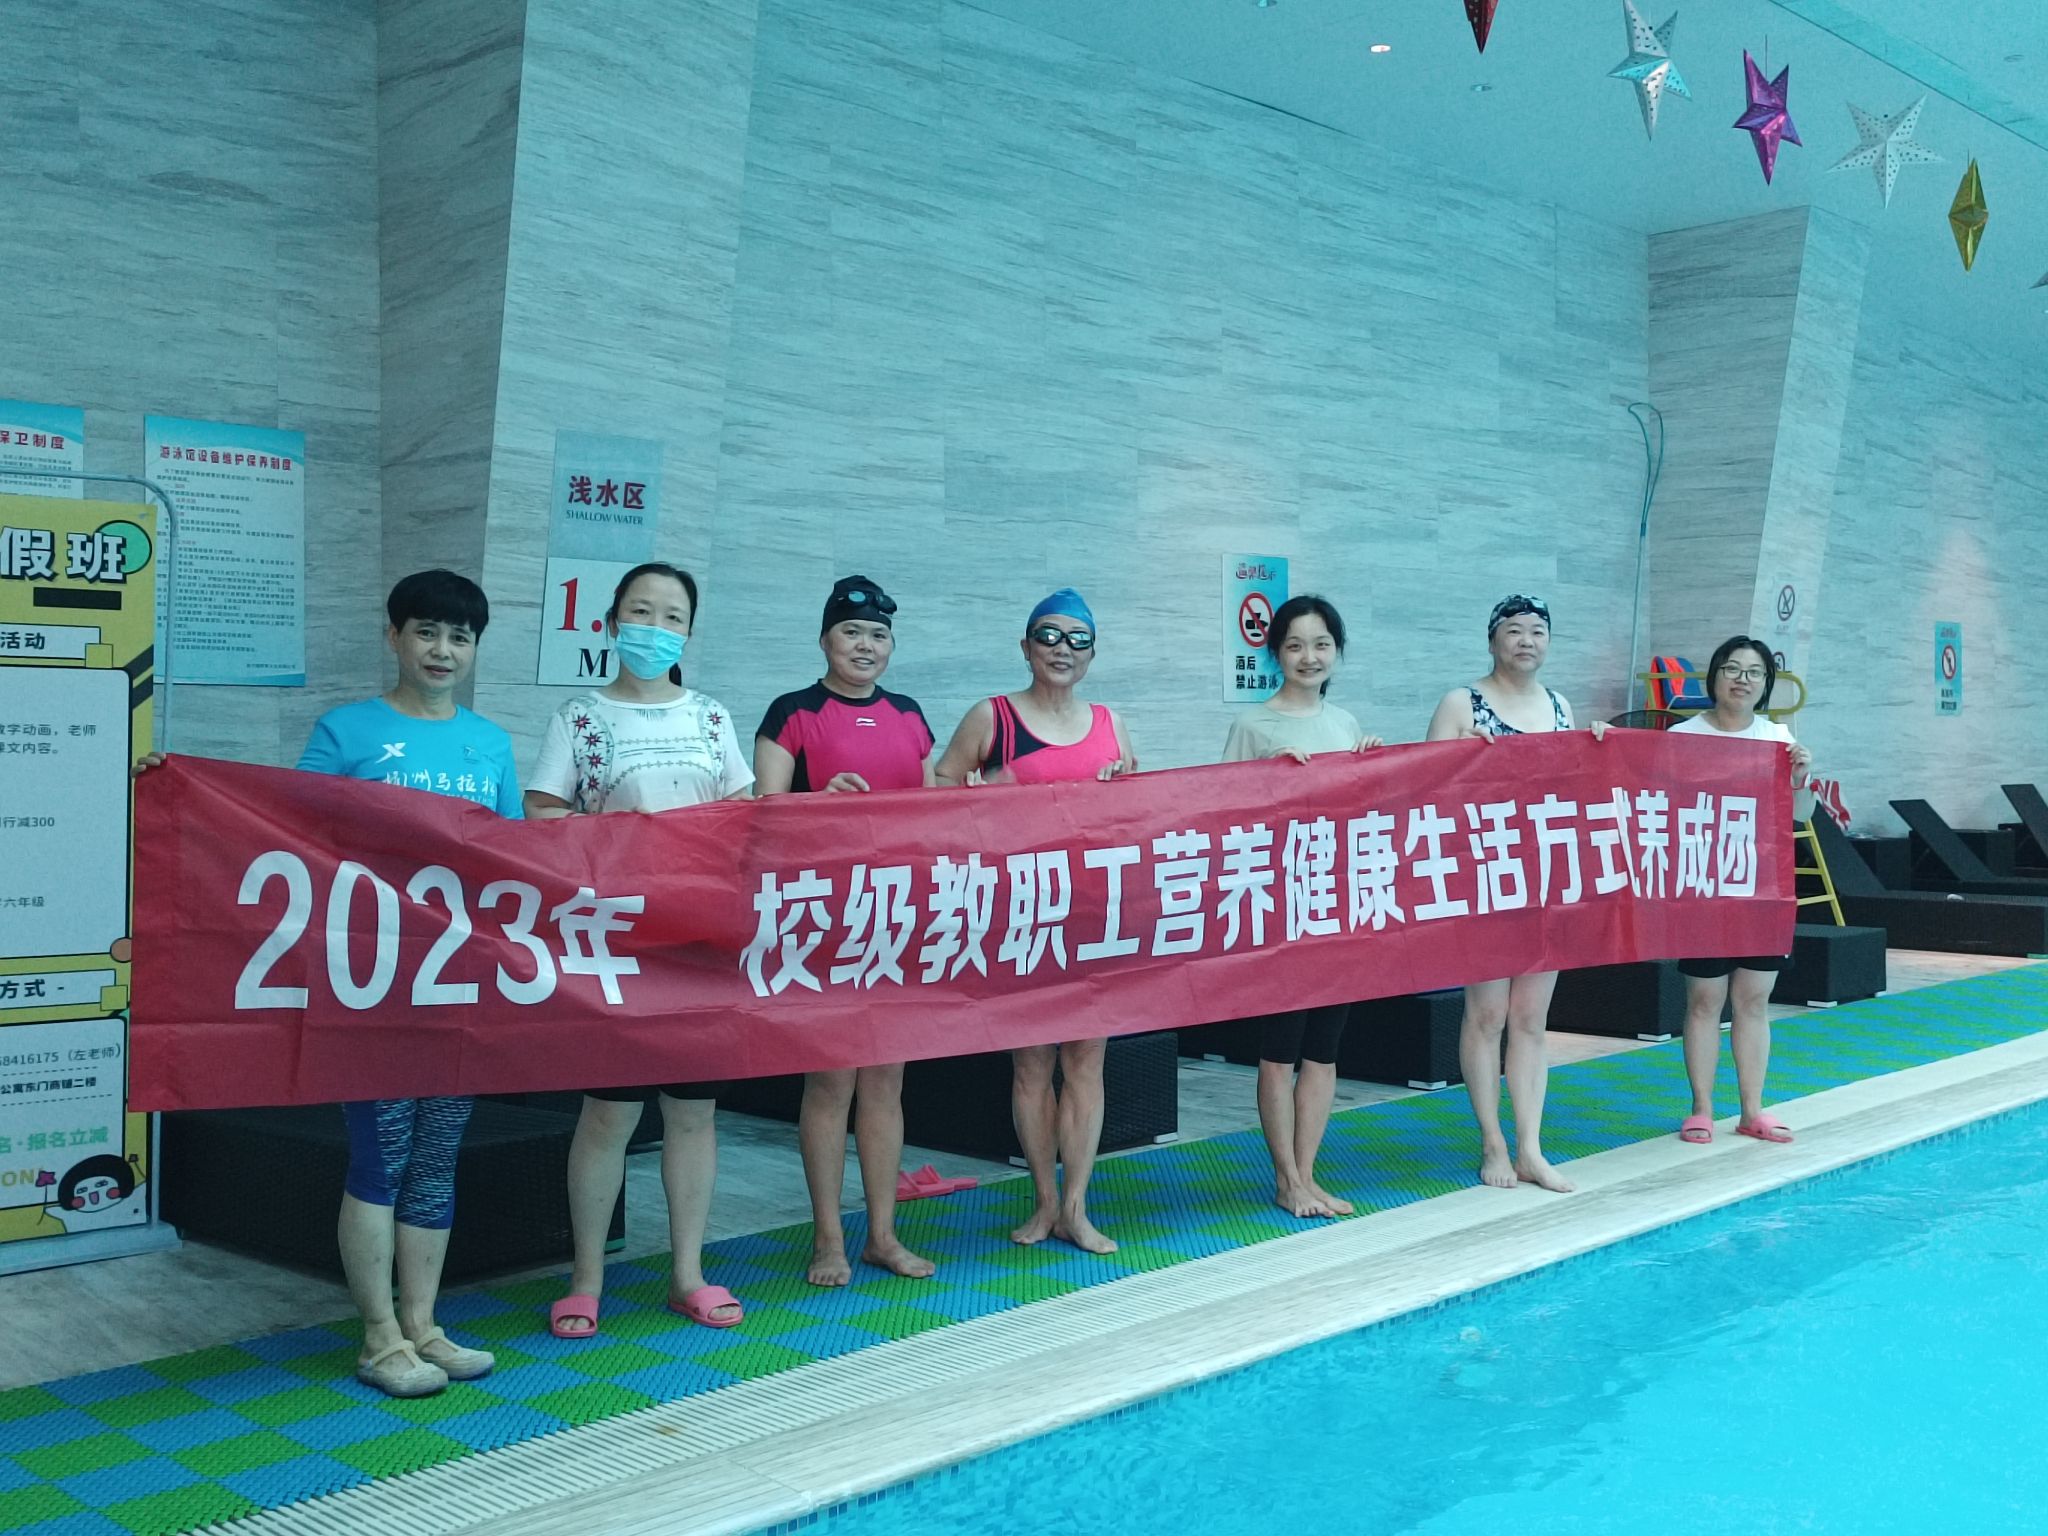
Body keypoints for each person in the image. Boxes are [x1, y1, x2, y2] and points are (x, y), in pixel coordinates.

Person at [301, 569, 520, 1397]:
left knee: (435, 1156)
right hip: (371, 981)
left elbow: (515, 862)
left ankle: (424, 1325)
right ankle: (377, 1337)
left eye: (461, 637)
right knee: (379, 1156)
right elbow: (281, 828)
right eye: (426, 631)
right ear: (393, 635)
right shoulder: (346, 731)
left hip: (459, 982)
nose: (443, 650)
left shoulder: (489, 743)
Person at [526, 562, 753, 1339]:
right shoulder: (580, 718)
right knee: (608, 1115)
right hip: (614, 945)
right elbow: (543, 813)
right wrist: (622, 848)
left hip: (698, 941)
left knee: (693, 1114)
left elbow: (743, 815)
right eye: (641, 612)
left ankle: (688, 1274)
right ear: (611, 622)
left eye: (672, 616)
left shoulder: (712, 718)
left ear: (689, 632)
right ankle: (586, 1280)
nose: (655, 628)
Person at [933, 589, 1135, 1254]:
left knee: (1086, 1062)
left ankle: (1077, 1205)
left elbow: (1137, 811)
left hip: (1091, 913)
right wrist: (986, 799)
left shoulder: (1109, 722)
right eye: (1048, 636)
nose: (1062, 649)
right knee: (1031, 1064)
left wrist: (1126, 787)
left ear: (1093, 655)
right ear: (1025, 647)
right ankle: (1043, 1200)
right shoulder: (992, 717)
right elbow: (936, 794)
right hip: (1021, 911)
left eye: (1078, 639)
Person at [754, 575, 938, 1287]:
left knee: (887, 1080)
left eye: (879, 635)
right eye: (852, 631)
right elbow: (761, 816)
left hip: (896, 915)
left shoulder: (909, 715)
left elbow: (934, 817)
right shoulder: (793, 713)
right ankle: (828, 1239)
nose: (866, 645)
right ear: (825, 638)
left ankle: (883, 1235)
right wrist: (816, 803)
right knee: (831, 1081)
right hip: (823, 917)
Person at [1425, 594, 1605, 1195]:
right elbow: (1424, 789)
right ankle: (1492, 1141)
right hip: (1483, 876)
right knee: (1487, 1014)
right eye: (1514, 631)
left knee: (1530, 1017)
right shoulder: (1461, 703)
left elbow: (1575, 787)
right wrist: (1460, 758)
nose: (1527, 640)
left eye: (1537, 631)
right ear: (1492, 640)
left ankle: (1530, 1145)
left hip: (1544, 878)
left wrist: (1599, 746)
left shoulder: (1559, 706)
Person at [1220, 595, 1384, 1220]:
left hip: (1337, 907)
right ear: (1275, 653)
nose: (1309, 657)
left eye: (1321, 645)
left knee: (1324, 1049)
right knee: (1279, 1048)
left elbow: (1366, 816)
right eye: (1294, 645)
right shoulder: (1253, 725)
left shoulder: (1346, 724)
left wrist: (1374, 767)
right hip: (1279, 908)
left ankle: (1309, 1174)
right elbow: (1221, 814)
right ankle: (1285, 1178)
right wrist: (1269, 779)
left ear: (1336, 651)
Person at [1672, 636, 1814, 1148]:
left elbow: (1799, 817)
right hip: (1703, 887)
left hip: (1760, 887)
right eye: (1732, 669)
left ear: (1766, 684)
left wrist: (1800, 777)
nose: (1742, 680)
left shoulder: (1776, 737)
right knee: (1704, 999)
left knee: (1753, 999)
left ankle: (1752, 1110)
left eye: (1754, 673)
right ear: (1714, 676)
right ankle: (1702, 1109)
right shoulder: (1681, 737)